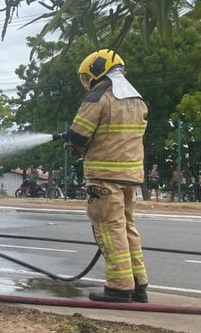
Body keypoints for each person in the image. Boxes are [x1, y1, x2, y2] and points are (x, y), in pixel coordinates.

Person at [53, 50, 149, 302]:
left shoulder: (98, 96)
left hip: (104, 178)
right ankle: (139, 285)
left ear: (96, 70)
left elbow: (78, 135)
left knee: (109, 230)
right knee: (127, 228)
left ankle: (119, 287)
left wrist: (72, 144)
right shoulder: (137, 99)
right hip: (129, 176)